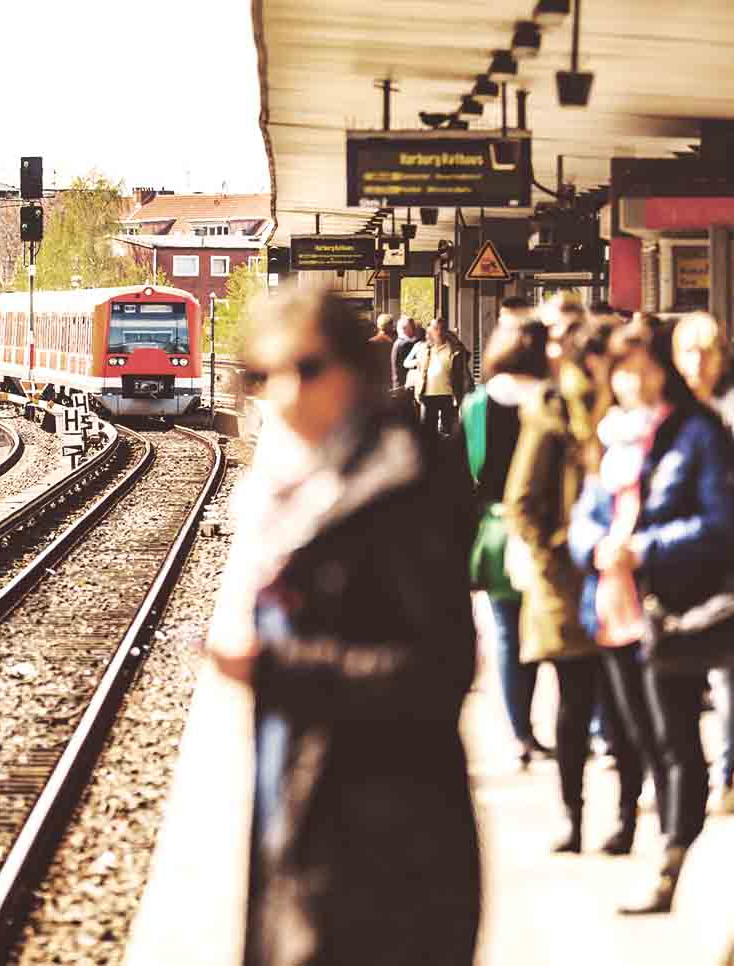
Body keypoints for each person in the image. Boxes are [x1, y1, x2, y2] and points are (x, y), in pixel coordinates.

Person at [208, 290, 480, 966]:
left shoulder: (400, 483)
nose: (282, 392)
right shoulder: (289, 486)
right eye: (261, 374)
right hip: (304, 801)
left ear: (355, 369)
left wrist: (274, 665)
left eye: (306, 368)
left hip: (386, 839)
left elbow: (439, 669)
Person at [569, 323, 734, 914]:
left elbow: (721, 527)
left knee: (674, 741)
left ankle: (673, 866)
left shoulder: (697, 433)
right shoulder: (611, 437)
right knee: (636, 737)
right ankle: (664, 854)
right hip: (612, 606)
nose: (631, 380)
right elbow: (584, 516)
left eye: (643, 367)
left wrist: (645, 548)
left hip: (670, 610)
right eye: (621, 369)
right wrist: (594, 546)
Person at [505, 318, 645, 855]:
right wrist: (555, 556)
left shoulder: (631, 418)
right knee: (574, 705)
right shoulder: (552, 412)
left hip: (623, 582)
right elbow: (523, 499)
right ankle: (574, 817)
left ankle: (626, 818)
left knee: (625, 707)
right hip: (568, 585)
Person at [673, 312, 734, 814]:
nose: (696, 362)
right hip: (688, 550)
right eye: (688, 351)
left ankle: (726, 773)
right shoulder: (679, 408)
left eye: (706, 352)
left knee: (729, 667)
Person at [460, 322, 552, 770]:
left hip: (495, 530)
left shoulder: (477, 406)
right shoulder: (553, 401)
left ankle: (521, 732)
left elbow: (463, 475)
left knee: (506, 632)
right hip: (551, 529)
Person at [413, 317, 472, 437]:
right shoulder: (424, 349)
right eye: (435, 328)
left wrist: (465, 392)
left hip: (449, 395)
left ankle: (448, 454)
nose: (439, 331)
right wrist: (418, 390)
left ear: (446, 330)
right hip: (428, 395)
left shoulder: (455, 349)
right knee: (428, 432)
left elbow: (463, 371)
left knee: (449, 430)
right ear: (430, 331)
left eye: (442, 328)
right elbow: (420, 371)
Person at [392, 315, 421, 393]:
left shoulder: (399, 342)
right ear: (405, 329)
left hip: (400, 385)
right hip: (405, 386)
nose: (415, 329)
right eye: (412, 326)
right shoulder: (406, 344)